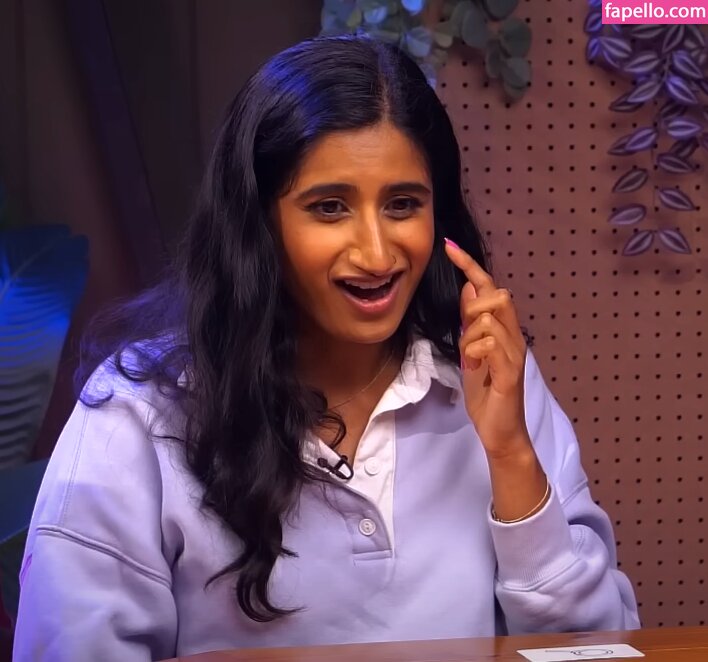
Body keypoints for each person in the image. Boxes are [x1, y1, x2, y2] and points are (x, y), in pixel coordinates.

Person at [13, 34, 640, 661]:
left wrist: (510, 455)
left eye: (403, 204)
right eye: (330, 207)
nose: (376, 253)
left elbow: (599, 647)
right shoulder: (138, 415)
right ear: (257, 224)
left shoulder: (493, 379)